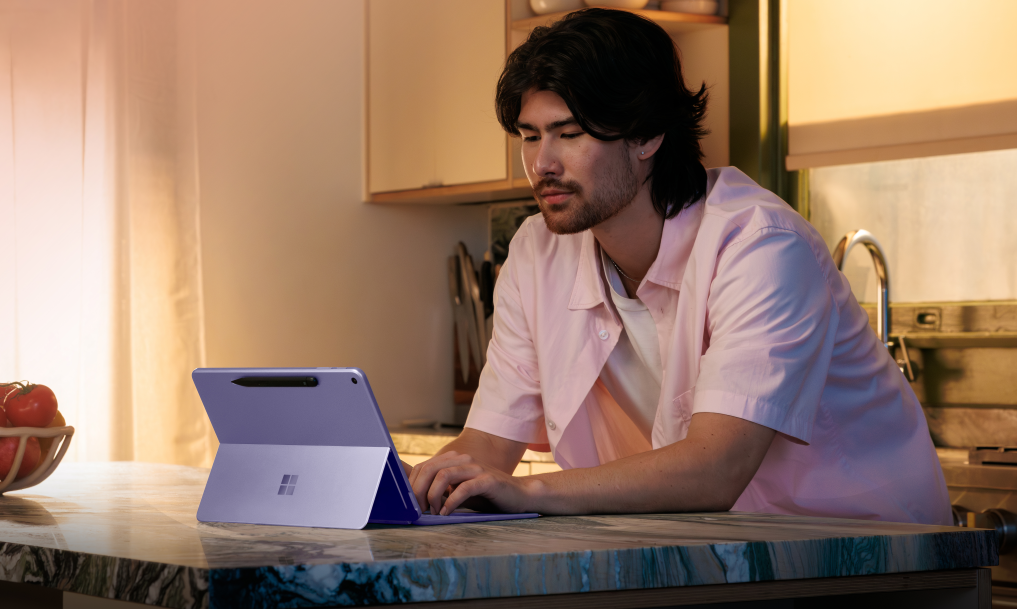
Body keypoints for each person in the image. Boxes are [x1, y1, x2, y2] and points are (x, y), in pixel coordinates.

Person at [405, 8, 951, 525]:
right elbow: (487, 443)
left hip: (867, 550)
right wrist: (425, 483)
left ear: (647, 136)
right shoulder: (536, 250)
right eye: (529, 136)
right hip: (718, 548)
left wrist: (527, 490)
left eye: (569, 134)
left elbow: (715, 470)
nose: (541, 163)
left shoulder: (761, 246)